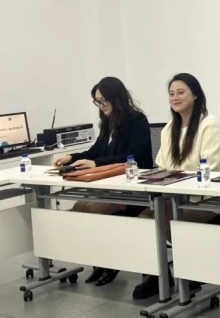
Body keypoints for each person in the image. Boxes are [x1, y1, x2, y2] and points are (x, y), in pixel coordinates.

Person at [132, 73, 220, 300]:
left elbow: (211, 168)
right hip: (177, 197)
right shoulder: (170, 128)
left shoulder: (209, 124)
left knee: (169, 219)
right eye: (171, 93)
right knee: (145, 218)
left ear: (195, 95)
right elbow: (162, 165)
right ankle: (160, 276)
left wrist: (176, 177)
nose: (175, 98)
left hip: (210, 199)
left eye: (181, 92)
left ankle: (192, 272)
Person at [53, 76, 152, 286]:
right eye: (97, 101)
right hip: (112, 186)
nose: (101, 105)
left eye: (104, 100)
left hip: (134, 190)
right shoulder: (108, 123)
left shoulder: (137, 120)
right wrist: (73, 157)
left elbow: (132, 155)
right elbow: (96, 151)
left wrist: (96, 163)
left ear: (117, 98)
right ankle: (101, 260)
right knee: (80, 206)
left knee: (93, 208)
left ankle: (111, 261)